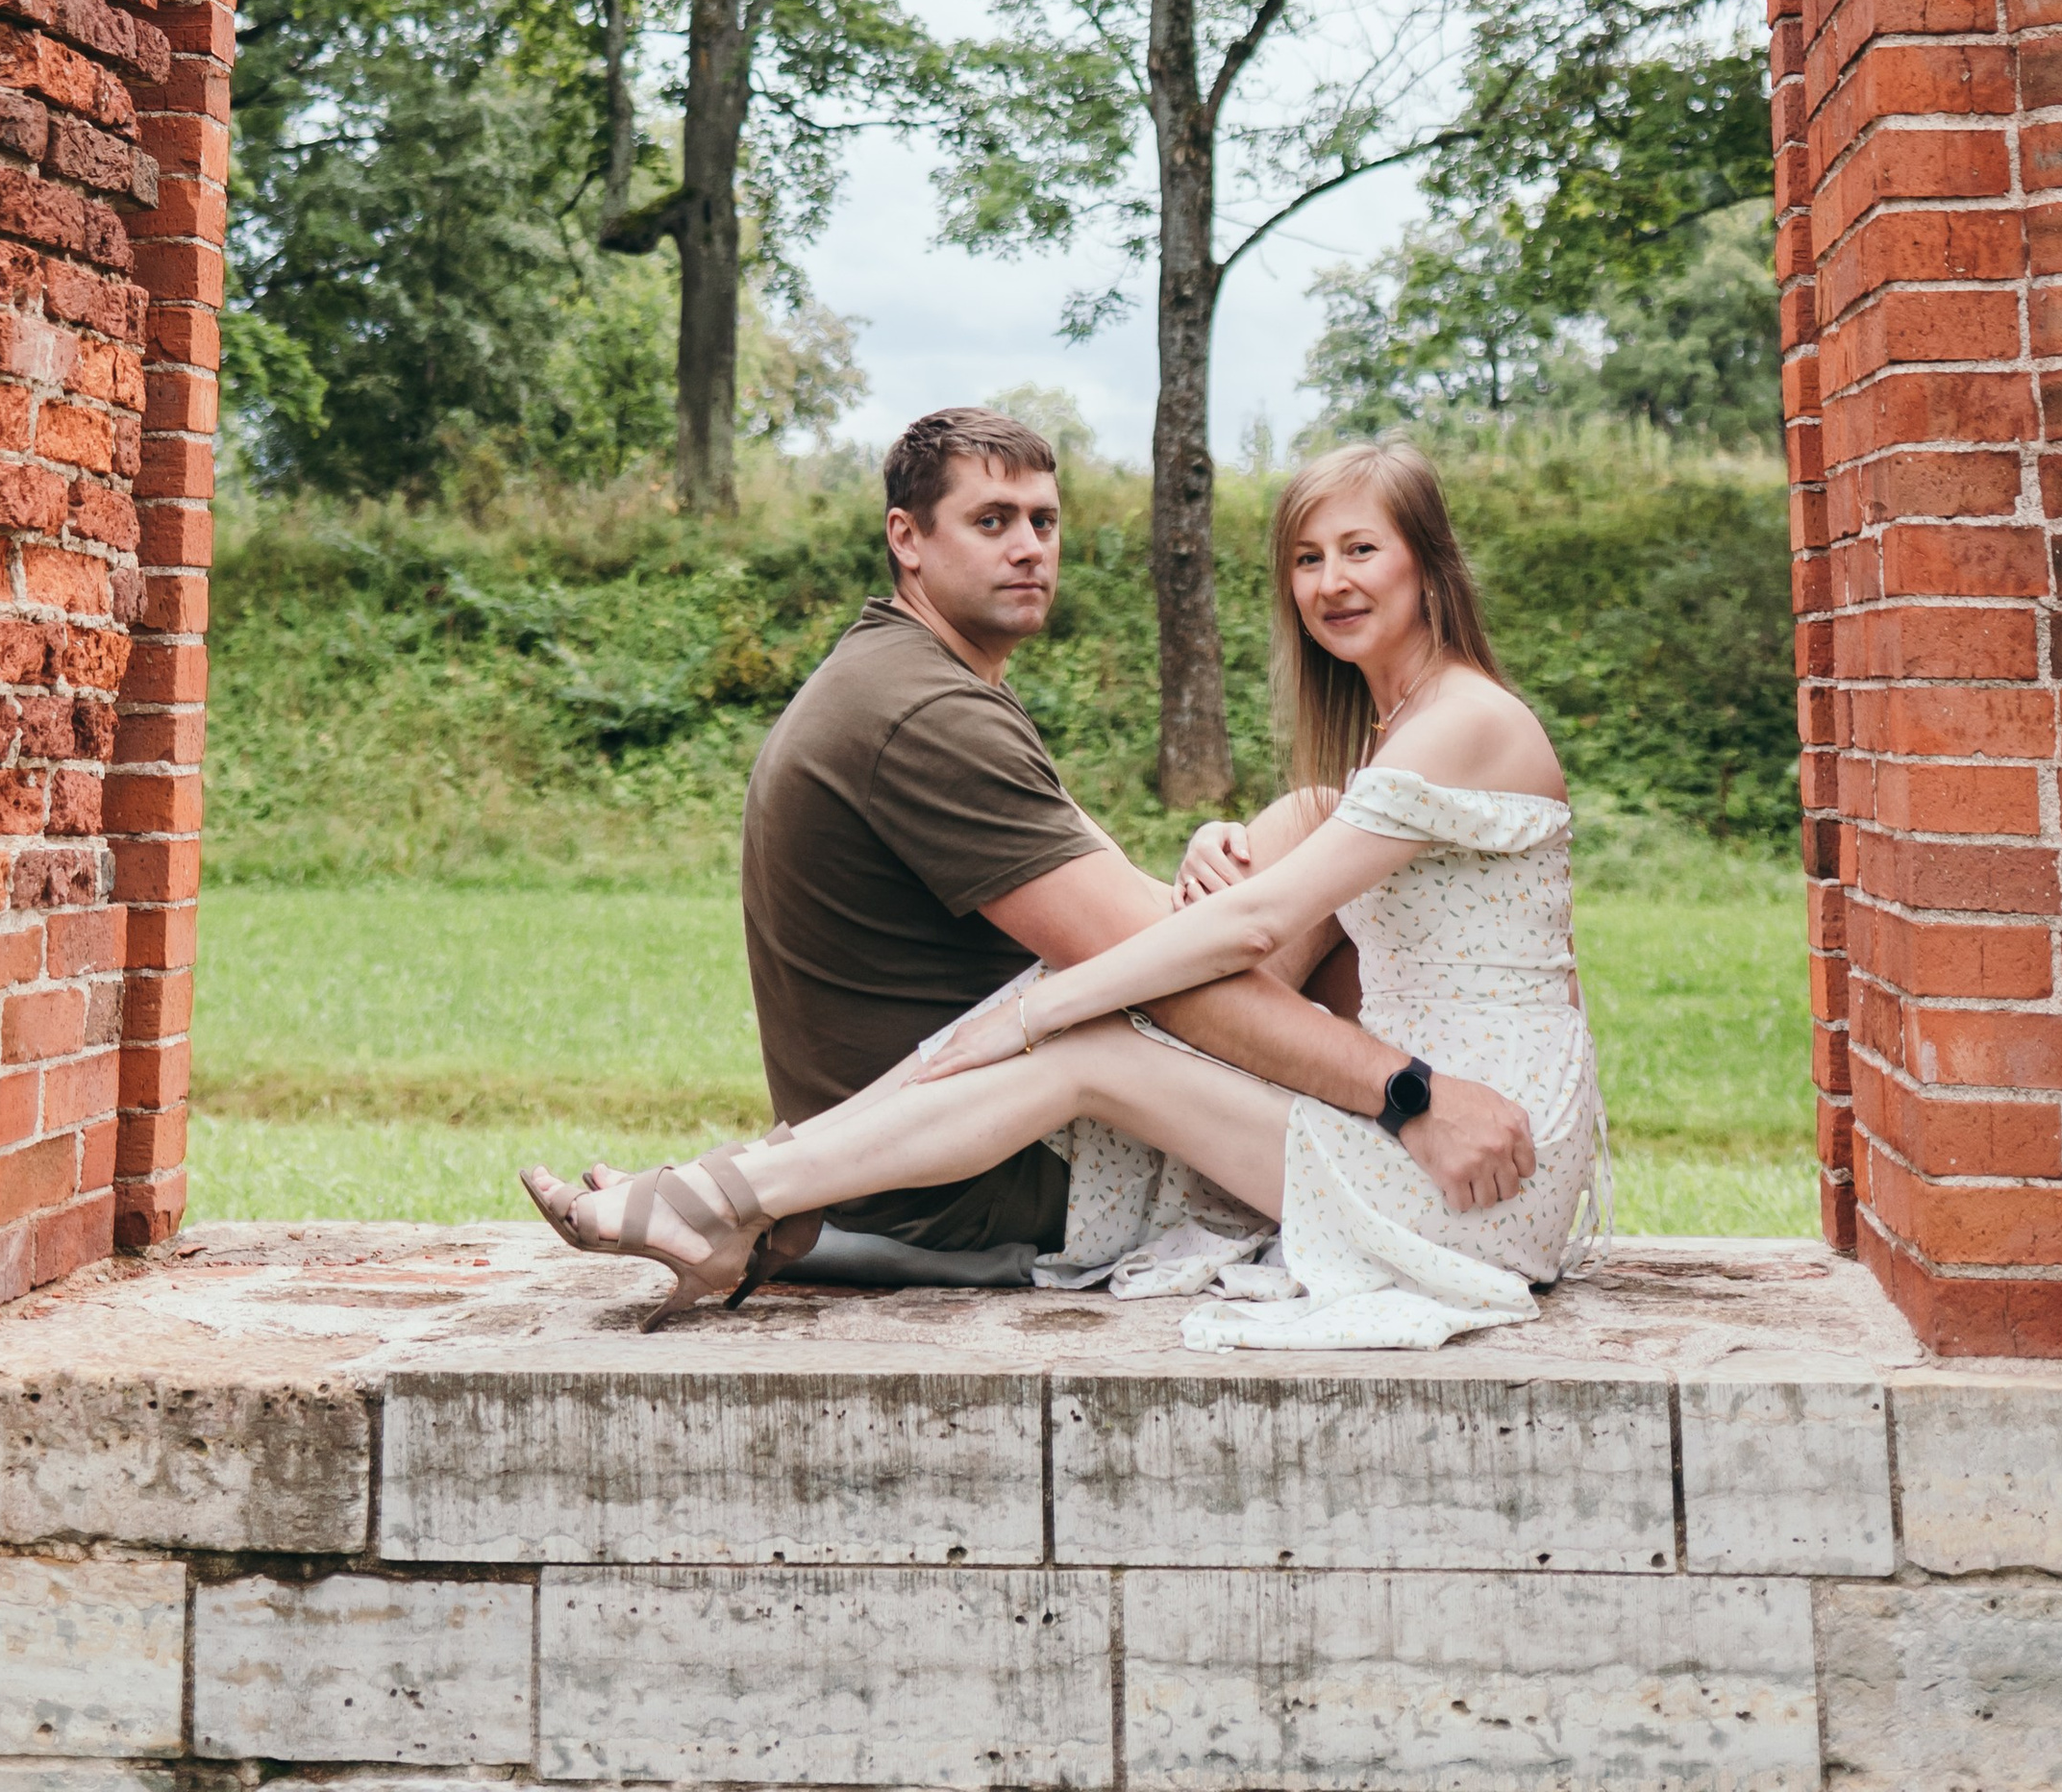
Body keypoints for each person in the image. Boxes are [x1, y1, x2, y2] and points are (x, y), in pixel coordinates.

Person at [529, 433, 1607, 1348]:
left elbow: (1259, 921)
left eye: (1363, 550)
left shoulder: (1461, 719)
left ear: (1431, 565)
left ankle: (718, 1196)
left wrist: (1038, 1014)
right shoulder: (1389, 747)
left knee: (1084, 1037)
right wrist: (1223, 835)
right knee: (1104, 981)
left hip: (1477, 1153)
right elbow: (1279, 871)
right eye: (1307, 557)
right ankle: (729, 1198)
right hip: (1434, 1136)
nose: (1331, 583)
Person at [716, 401, 1535, 1288]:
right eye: (991, 522)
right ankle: (747, 1188)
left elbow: (1154, 931)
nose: (1030, 546)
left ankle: (744, 1180)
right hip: (971, 1176)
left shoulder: (910, 675)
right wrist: (1405, 1094)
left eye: (1043, 521)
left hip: (949, 1141)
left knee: (1298, 823)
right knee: (1119, 1009)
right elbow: (1162, 967)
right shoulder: (927, 711)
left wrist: (1205, 873)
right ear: (906, 539)